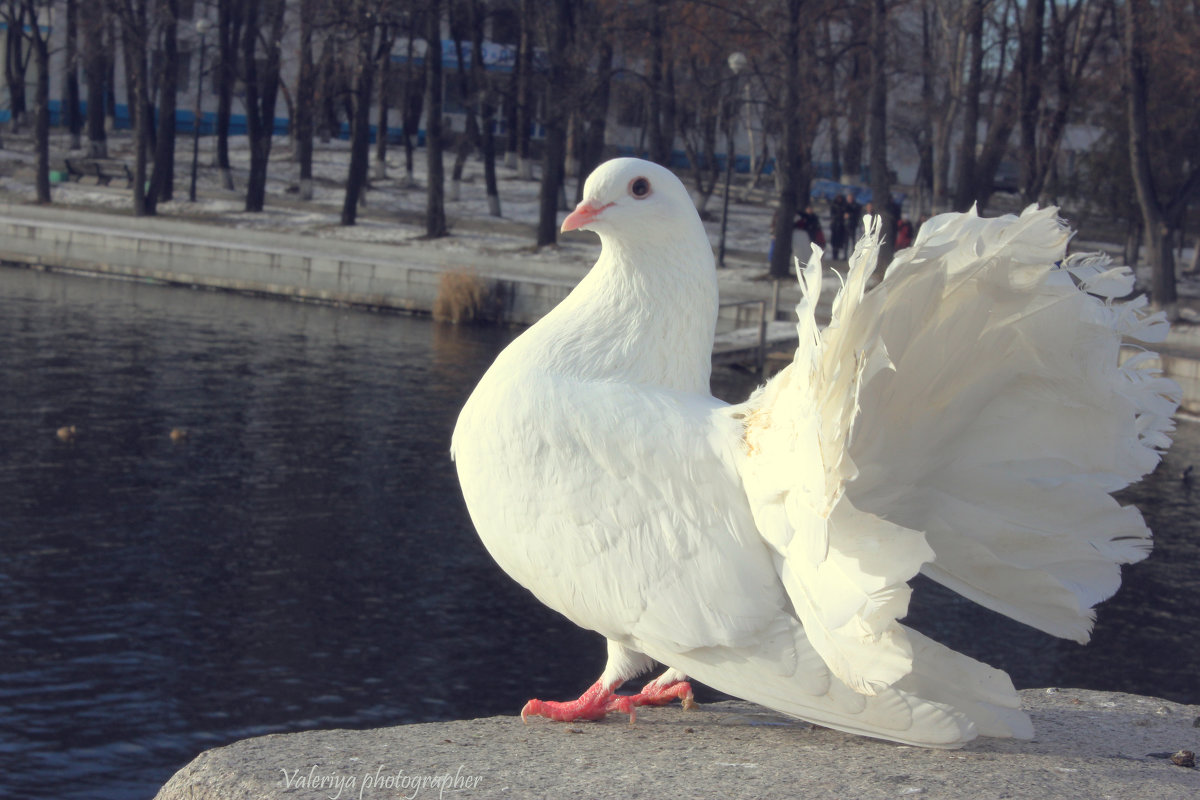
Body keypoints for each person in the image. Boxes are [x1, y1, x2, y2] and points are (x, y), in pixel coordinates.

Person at [829, 194, 848, 259]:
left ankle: (837, 254)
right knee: (834, 241)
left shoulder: (843, 206)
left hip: (841, 226)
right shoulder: (834, 205)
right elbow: (832, 214)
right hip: (835, 226)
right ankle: (834, 254)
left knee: (839, 241)